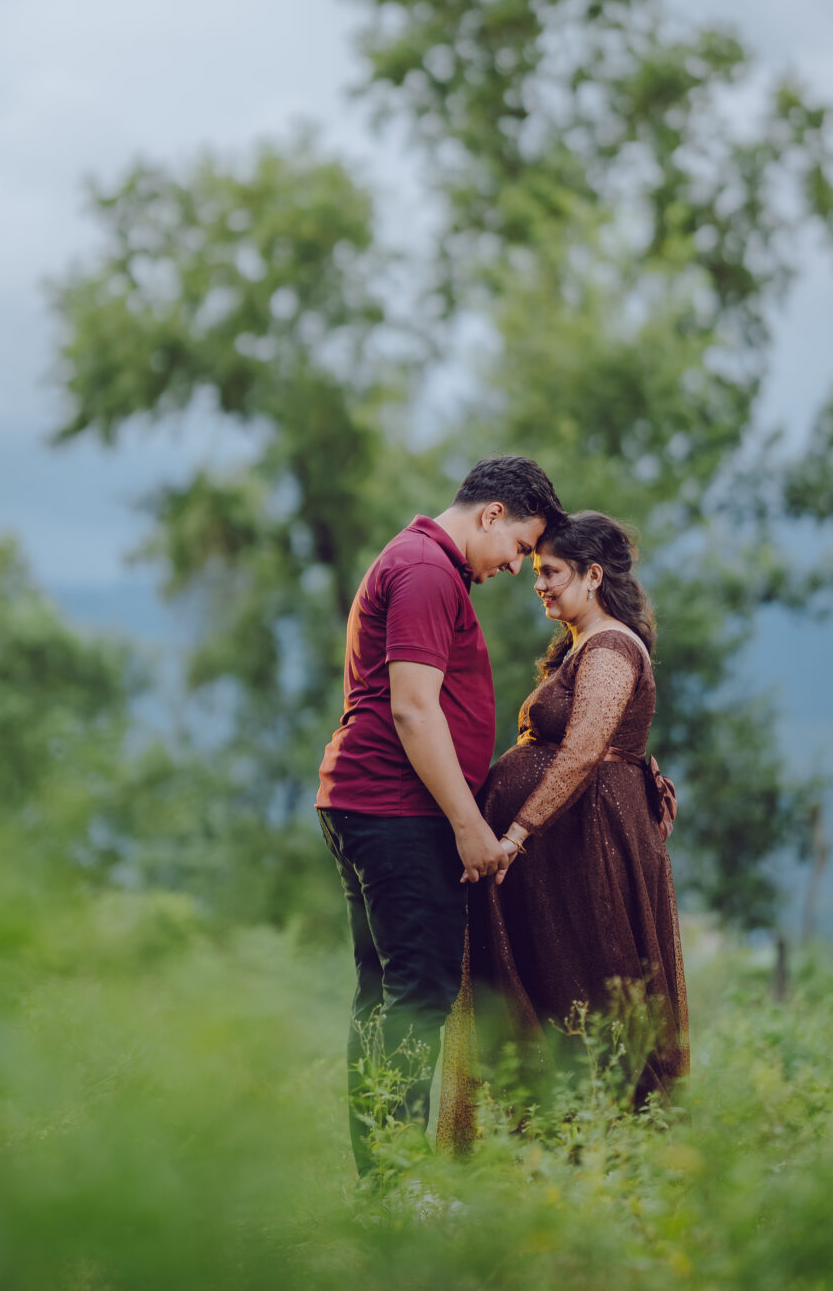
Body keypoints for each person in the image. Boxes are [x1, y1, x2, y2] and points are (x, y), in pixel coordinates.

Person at [315, 456, 564, 1175]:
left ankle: (383, 1179)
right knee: (418, 997)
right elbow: (413, 710)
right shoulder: (426, 569)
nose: (516, 567)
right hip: (396, 811)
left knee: (387, 997)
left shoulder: (422, 563)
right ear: (492, 514)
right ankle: (396, 1183)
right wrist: (468, 825)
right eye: (519, 547)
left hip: (368, 804)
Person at [452, 510, 687, 1129]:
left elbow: (584, 751)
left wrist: (515, 834)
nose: (539, 584)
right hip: (565, 849)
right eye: (536, 571)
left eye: (550, 572)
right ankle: (560, 1141)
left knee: (591, 990)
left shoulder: (610, 645)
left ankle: (624, 1143)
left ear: (592, 575)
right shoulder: (582, 646)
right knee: (557, 995)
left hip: (589, 849)